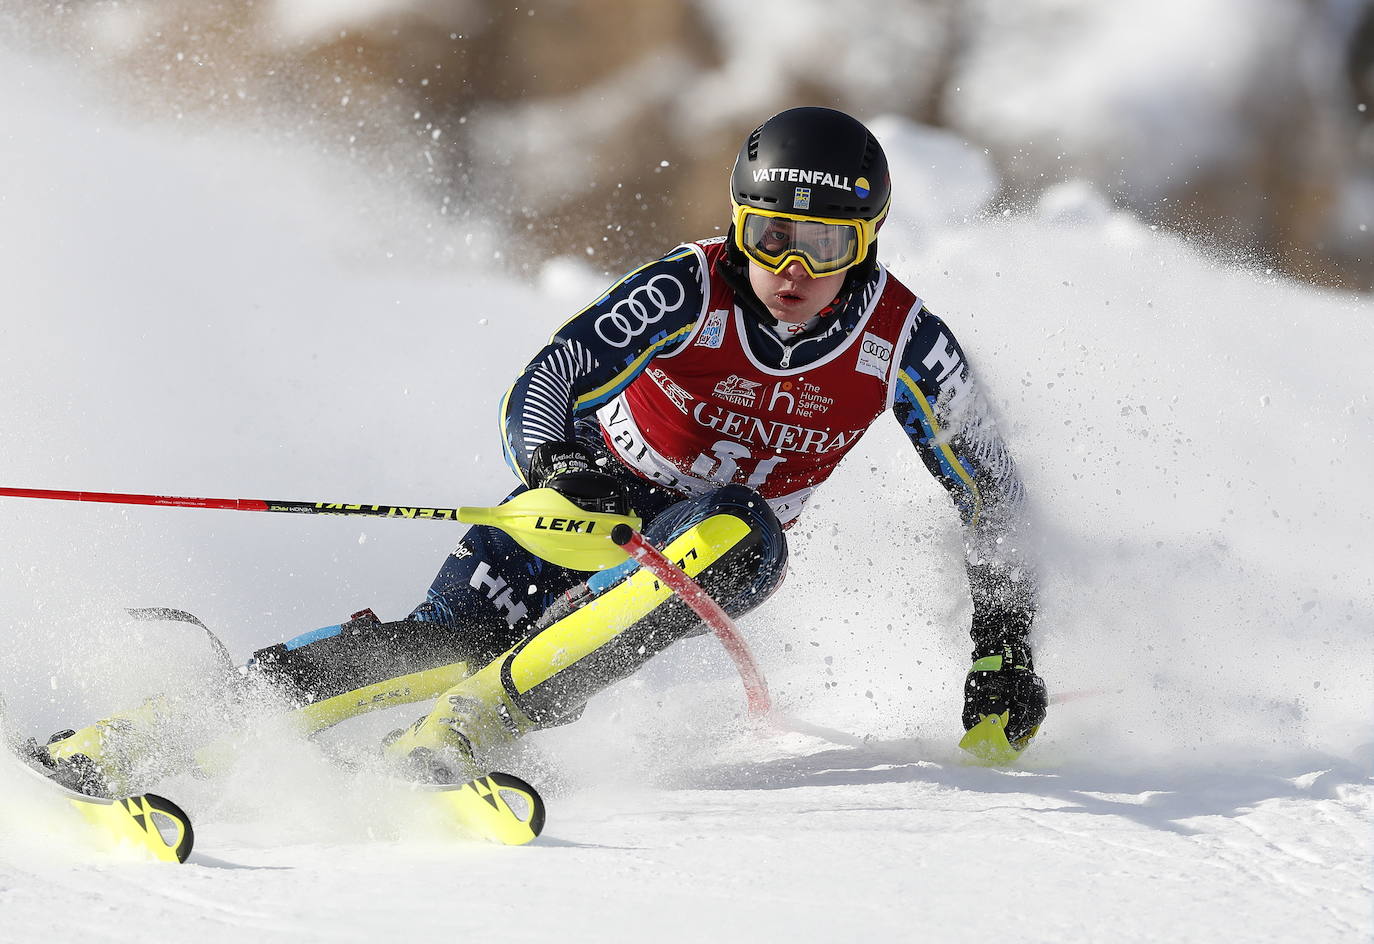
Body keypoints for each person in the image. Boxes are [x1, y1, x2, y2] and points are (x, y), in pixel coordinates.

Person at [39, 106, 1046, 794]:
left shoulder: (904, 341)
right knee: (433, 646)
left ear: (866, 244)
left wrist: (1005, 638)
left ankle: (476, 724)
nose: (789, 267)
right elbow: (550, 377)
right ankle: (148, 733)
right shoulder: (691, 288)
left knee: (742, 534)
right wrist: (561, 464)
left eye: (824, 246)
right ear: (738, 222)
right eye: (769, 232)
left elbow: (992, 491)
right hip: (577, 519)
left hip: (699, 555)